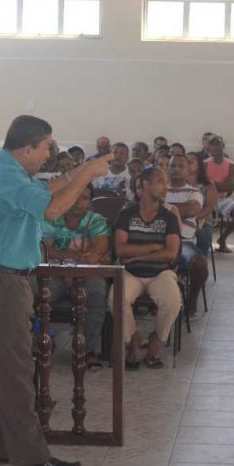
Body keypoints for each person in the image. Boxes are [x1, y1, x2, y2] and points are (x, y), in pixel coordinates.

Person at [0, 114, 109, 466]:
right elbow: (53, 209)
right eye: (46, 146)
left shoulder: (10, 170)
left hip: (3, 279)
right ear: (27, 147)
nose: (49, 153)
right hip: (0, 280)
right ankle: (32, 457)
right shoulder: (2, 173)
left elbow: (43, 194)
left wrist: (72, 175)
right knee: (15, 370)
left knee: (1, 368)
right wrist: (86, 175)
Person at [113, 167, 182, 370]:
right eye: (160, 181)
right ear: (144, 185)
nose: (165, 186)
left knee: (172, 301)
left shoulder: (168, 217)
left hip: (161, 272)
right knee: (116, 299)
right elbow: (120, 250)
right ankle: (133, 338)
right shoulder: (126, 214)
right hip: (130, 272)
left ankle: (156, 340)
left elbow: (171, 253)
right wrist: (153, 246)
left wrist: (138, 255)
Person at [41, 184, 111, 365]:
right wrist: (73, 261)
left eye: (85, 198)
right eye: (75, 196)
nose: (79, 202)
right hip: (54, 272)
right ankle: (40, 344)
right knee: (38, 293)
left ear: (89, 203)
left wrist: (72, 267)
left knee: (96, 293)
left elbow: (97, 251)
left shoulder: (96, 220)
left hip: (87, 273)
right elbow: (46, 251)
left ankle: (85, 351)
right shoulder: (52, 218)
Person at [166, 155, 209, 318]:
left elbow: (191, 210)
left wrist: (162, 207)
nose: (176, 169)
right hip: (159, 241)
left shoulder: (194, 192)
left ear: (187, 170)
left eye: (180, 166)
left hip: (183, 242)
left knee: (199, 265)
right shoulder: (160, 189)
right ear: (168, 169)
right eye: (173, 166)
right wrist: (177, 210)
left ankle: (192, 299)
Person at [205, 135, 234, 253]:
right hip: (205, 198)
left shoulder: (231, 165)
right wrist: (220, 185)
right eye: (213, 144)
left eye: (218, 144)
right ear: (209, 147)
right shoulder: (204, 164)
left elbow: (230, 186)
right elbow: (202, 185)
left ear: (223, 146)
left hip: (222, 199)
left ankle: (222, 239)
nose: (216, 146)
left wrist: (211, 183)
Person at [185, 152, 219, 256]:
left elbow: (209, 207)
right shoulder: (178, 182)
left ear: (199, 166)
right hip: (181, 218)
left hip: (201, 220)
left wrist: (194, 218)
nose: (187, 164)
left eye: (190, 162)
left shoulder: (207, 185)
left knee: (204, 234)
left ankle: (200, 263)